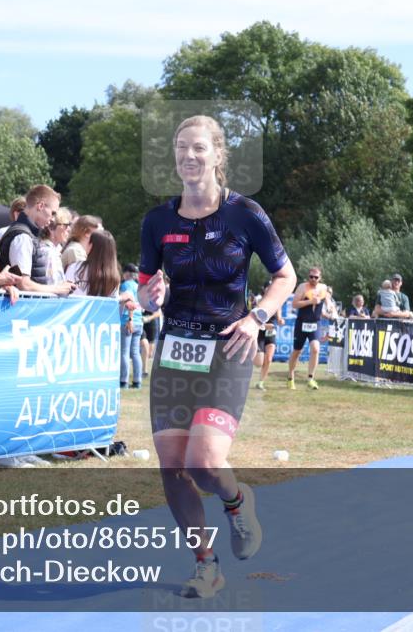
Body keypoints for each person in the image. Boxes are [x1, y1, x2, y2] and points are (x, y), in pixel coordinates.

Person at [138, 115, 296, 599]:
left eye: (199, 148)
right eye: (182, 147)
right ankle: (206, 564)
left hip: (229, 346)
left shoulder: (245, 213)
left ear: (218, 155)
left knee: (205, 461)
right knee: (173, 467)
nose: (189, 155)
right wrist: (149, 298)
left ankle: (236, 498)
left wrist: (258, 318)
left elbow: (284, 276)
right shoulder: (158, 221)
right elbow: (147, 288)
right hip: (175, 351)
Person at [0, 182, 74, 295]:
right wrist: (58, 289)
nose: (52, 219)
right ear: (40, 206)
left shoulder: (24, 233)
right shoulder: (23, 237)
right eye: (53, 213)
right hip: (20, 308)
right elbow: (24, 285)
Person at [287, 267, 331, 390]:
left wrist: (329, 306)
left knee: (316, 349)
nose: (313, 279)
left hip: (315, 323)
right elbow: (294, 304)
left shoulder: (323, 288)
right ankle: (290, 377)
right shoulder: (302, 287)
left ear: (320, 278)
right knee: (297, 352)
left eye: (315, 277)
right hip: (301, 323)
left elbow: (327, 299)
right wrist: (310, 301)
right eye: (311, 276)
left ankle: (311, 378)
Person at [252, 280, 285, 390]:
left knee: (269, 358)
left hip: (271, 332)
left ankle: (261, 382)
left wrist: (280, 320)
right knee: (258, 362)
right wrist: (265, 325)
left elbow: (279, 316)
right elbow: (253, 319)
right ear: (264, 289)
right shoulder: (258, 300)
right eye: (269, 287)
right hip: (260, 332)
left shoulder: (277, 301)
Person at [119, 264, 144, 389]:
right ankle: (137, 381)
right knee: (135, 353)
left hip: (128, 321)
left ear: (127, 273)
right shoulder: (139, 286)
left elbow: (130, 304)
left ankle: (123, 381)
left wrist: (130, 319)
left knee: (124, 352)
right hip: (139, 321)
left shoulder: (126, 285)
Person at [40, 207, 73, 285]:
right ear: (51, 228)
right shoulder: (48, 252)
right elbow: (52, 285)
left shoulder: (52, 250)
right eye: (66, 225)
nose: (69, 229)